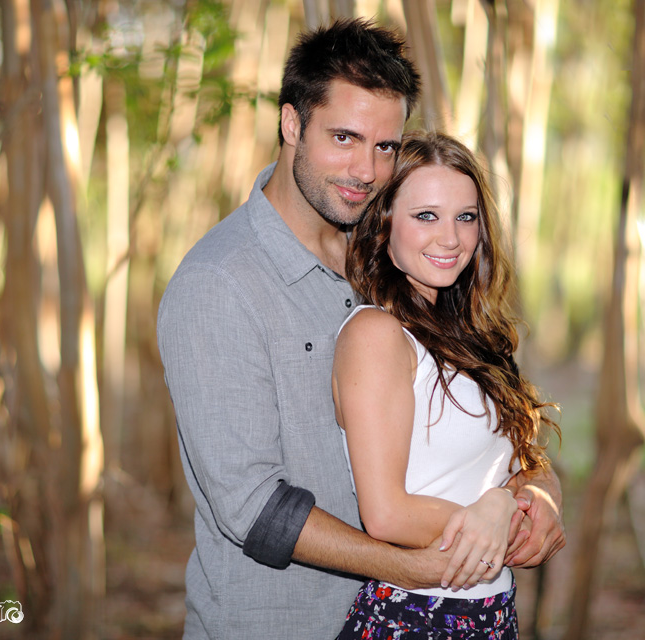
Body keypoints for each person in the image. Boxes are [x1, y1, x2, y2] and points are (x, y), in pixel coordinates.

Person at [157, 18, 565, 640]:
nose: (365, 170)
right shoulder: (219, 284)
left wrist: (538, 497)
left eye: (384, 146)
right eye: (344, 137)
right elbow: (253, 509)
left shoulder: (394, 257)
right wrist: (412, 566)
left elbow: (492, 439)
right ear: (291, 124)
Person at [334, 130, 562, 639]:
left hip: (489, 611)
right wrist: (500, 514)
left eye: (466, 217)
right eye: (426, 216)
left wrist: (537, 493)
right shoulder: (376, 335)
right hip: (414, 615)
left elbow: (512, 466)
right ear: (384, 223)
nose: (451, 238)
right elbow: (387, 513)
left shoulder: (473, 340)